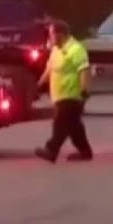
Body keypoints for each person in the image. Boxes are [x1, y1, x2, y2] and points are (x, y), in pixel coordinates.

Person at [35, 19, 93, 162]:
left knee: (60, 124)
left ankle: (51, 150)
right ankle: (85, 151)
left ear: (61, 34)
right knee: (74, 126)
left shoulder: (76, 49)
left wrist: (84, 89)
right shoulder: (56, 49)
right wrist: (38, 85)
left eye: (52, 34)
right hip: (59, 95)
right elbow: (49, 69)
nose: (50, 38)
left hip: (72, 95)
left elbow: (83, 70)